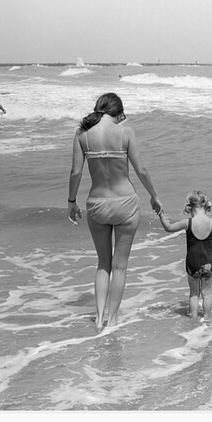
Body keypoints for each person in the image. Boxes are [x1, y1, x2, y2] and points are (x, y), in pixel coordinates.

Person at [67, 93, 162, 330]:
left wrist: (71, 201)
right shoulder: (126, 133)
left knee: (103, 264)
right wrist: (154, 195)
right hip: (126, 204)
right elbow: (141, 169)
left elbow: (76, 173)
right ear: (117, 111)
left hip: (97, 203)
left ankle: (99, 318)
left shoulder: (82, 135)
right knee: (120, 266)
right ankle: (114, 319)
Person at [156, 190, 212, 325]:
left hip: (192, 263)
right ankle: (206, 319)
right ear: (205, 204)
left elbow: (168, 227)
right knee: (207, 293)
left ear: (190, 206)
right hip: (208, 263)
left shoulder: (188, 222)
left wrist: (160, 214)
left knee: (194, 293)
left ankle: (193, 319)